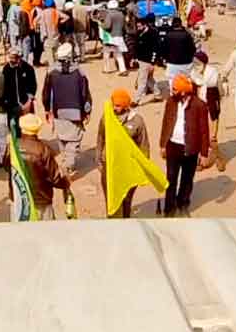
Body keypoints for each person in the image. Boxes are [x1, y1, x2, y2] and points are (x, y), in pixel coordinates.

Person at [159, 75, 209, 217]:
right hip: (173, 146)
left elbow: (204, 130)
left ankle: (182, 204)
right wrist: (162, 144)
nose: (171, 91)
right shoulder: (171, 102)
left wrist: (204, 153)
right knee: (170, 178)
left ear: (183, 91)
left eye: (174, 89)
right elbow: (166, 123)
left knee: (187, 179)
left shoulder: (199, 106)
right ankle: (169, 209)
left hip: (190, 148)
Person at [41, 42, 93, 177]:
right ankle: (67, 165)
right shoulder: (80, 72)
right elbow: (85, 93)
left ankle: (66, 161)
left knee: (62, 138)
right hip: (76, 112)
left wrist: (47, 109)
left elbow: (46, 93)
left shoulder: (51, 72)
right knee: (74, 140)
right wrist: (87, 111)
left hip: (58, 112)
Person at [96, 89, 148, 218]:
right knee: (111, 199)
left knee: (126, 199)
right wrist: (99, 160)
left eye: (118, 105)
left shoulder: (137, 121)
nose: (114, 108)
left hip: (128, 167)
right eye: (113, 104)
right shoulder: (107, 117)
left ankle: (125, 223)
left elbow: (143, 144)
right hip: (109, 165)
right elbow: (101, 138)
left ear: (126, 105)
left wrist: (143, 168)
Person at [13, 113, 72, 220]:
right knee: (46, 233)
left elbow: (7, 166)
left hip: (20, 198)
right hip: (41, 200)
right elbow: (55, 178)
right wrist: (66, 183)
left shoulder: (13, 147)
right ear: (37, 129)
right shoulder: (44, 150)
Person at [132, 16, 160, 104]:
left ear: (145, 25)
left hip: (147, 61)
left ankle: (136, 100)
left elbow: (156, 49)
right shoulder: (138, 33)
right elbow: (136, 47)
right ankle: (158, 94)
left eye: (140, 26)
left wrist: (153, 62)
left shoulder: (152, 34)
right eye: (137, 26)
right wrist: (134, 58)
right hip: (141, 60)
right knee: (149, 79)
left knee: (142, 81)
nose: (138, 28)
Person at [99, 0, 128, 75]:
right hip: (119, 35)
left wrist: (101, 24)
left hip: (111, 37)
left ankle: (106, 69)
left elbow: (107, 26)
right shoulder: (121, 14)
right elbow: (124, 26)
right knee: (119, 54)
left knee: (106, 53)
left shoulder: (110, 15)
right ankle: (123, 69)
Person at [161, 17, 195, 81]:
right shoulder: (187, 35)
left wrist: (165, 59)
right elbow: (193, 49)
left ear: (172, 24)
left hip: (172, 64)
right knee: (186, 82)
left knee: (172, 82)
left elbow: (163, 49)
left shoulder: (168, 35)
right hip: (186, 64)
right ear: (181, 24)